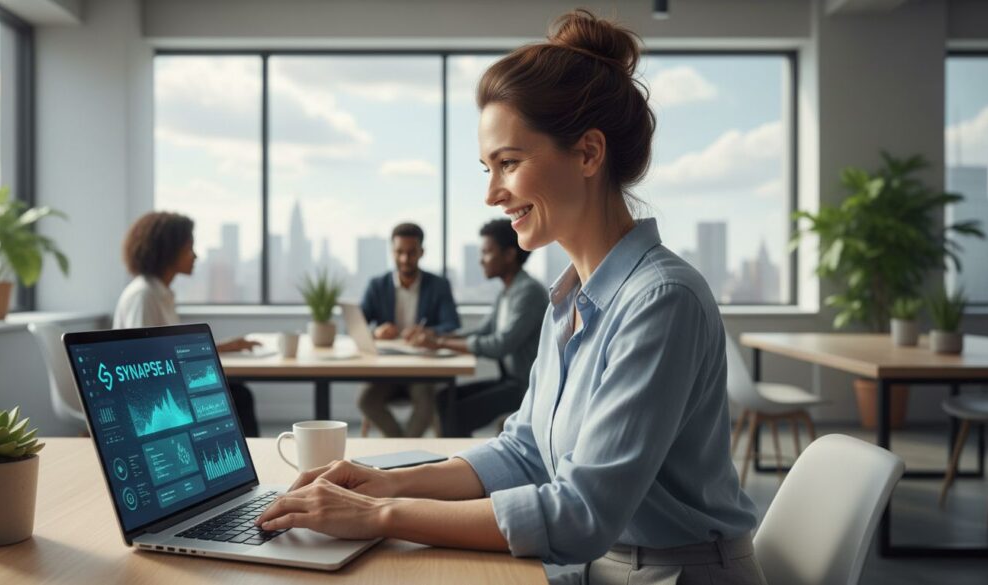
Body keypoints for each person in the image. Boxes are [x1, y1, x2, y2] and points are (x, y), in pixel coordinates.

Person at [255, 10, 765, 584]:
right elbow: (524, 452)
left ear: (589, 154)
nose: (492, 192)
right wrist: (385, 480)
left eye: (509, 163)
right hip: (600, 566)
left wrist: (379, 515)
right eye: (487, 167)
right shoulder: (571, 300)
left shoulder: (660, 301)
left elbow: (581, 513)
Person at [114, 211, 263, 437]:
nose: (195, 256)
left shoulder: (160, 293)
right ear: (168, 251)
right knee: (238, 396)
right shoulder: (143, 296)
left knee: (237, 393)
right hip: (155, 400)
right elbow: (142, 364)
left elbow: (167, 350)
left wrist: (223, 346)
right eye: (189, 248)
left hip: (167, 388)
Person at [409, 218, 547, 437]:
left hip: (525, 387)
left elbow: (500, 345)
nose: (481, 260)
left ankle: (459, 467)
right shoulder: (507, 292)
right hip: (509, 381)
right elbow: (481, 332)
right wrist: (436, 334)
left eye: (487, 252)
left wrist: (440, 343)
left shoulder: (528, 293)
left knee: (457, 412)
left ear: (510, 254)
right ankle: (453, 462)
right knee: (444, 398)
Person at [357, 222, 461, 437]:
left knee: (426, 405)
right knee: (366, 401)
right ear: (392, 252)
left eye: (411, 252)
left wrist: (428, 333)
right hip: (386, 369)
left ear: (421, 252)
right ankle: (401, 446)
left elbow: (451, 324)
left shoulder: (438, 285)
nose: (405, 259)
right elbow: (357, 323)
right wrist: (376, 332)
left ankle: (401, 454)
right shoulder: (377, 285)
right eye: (399, 252)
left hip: (421, 370)